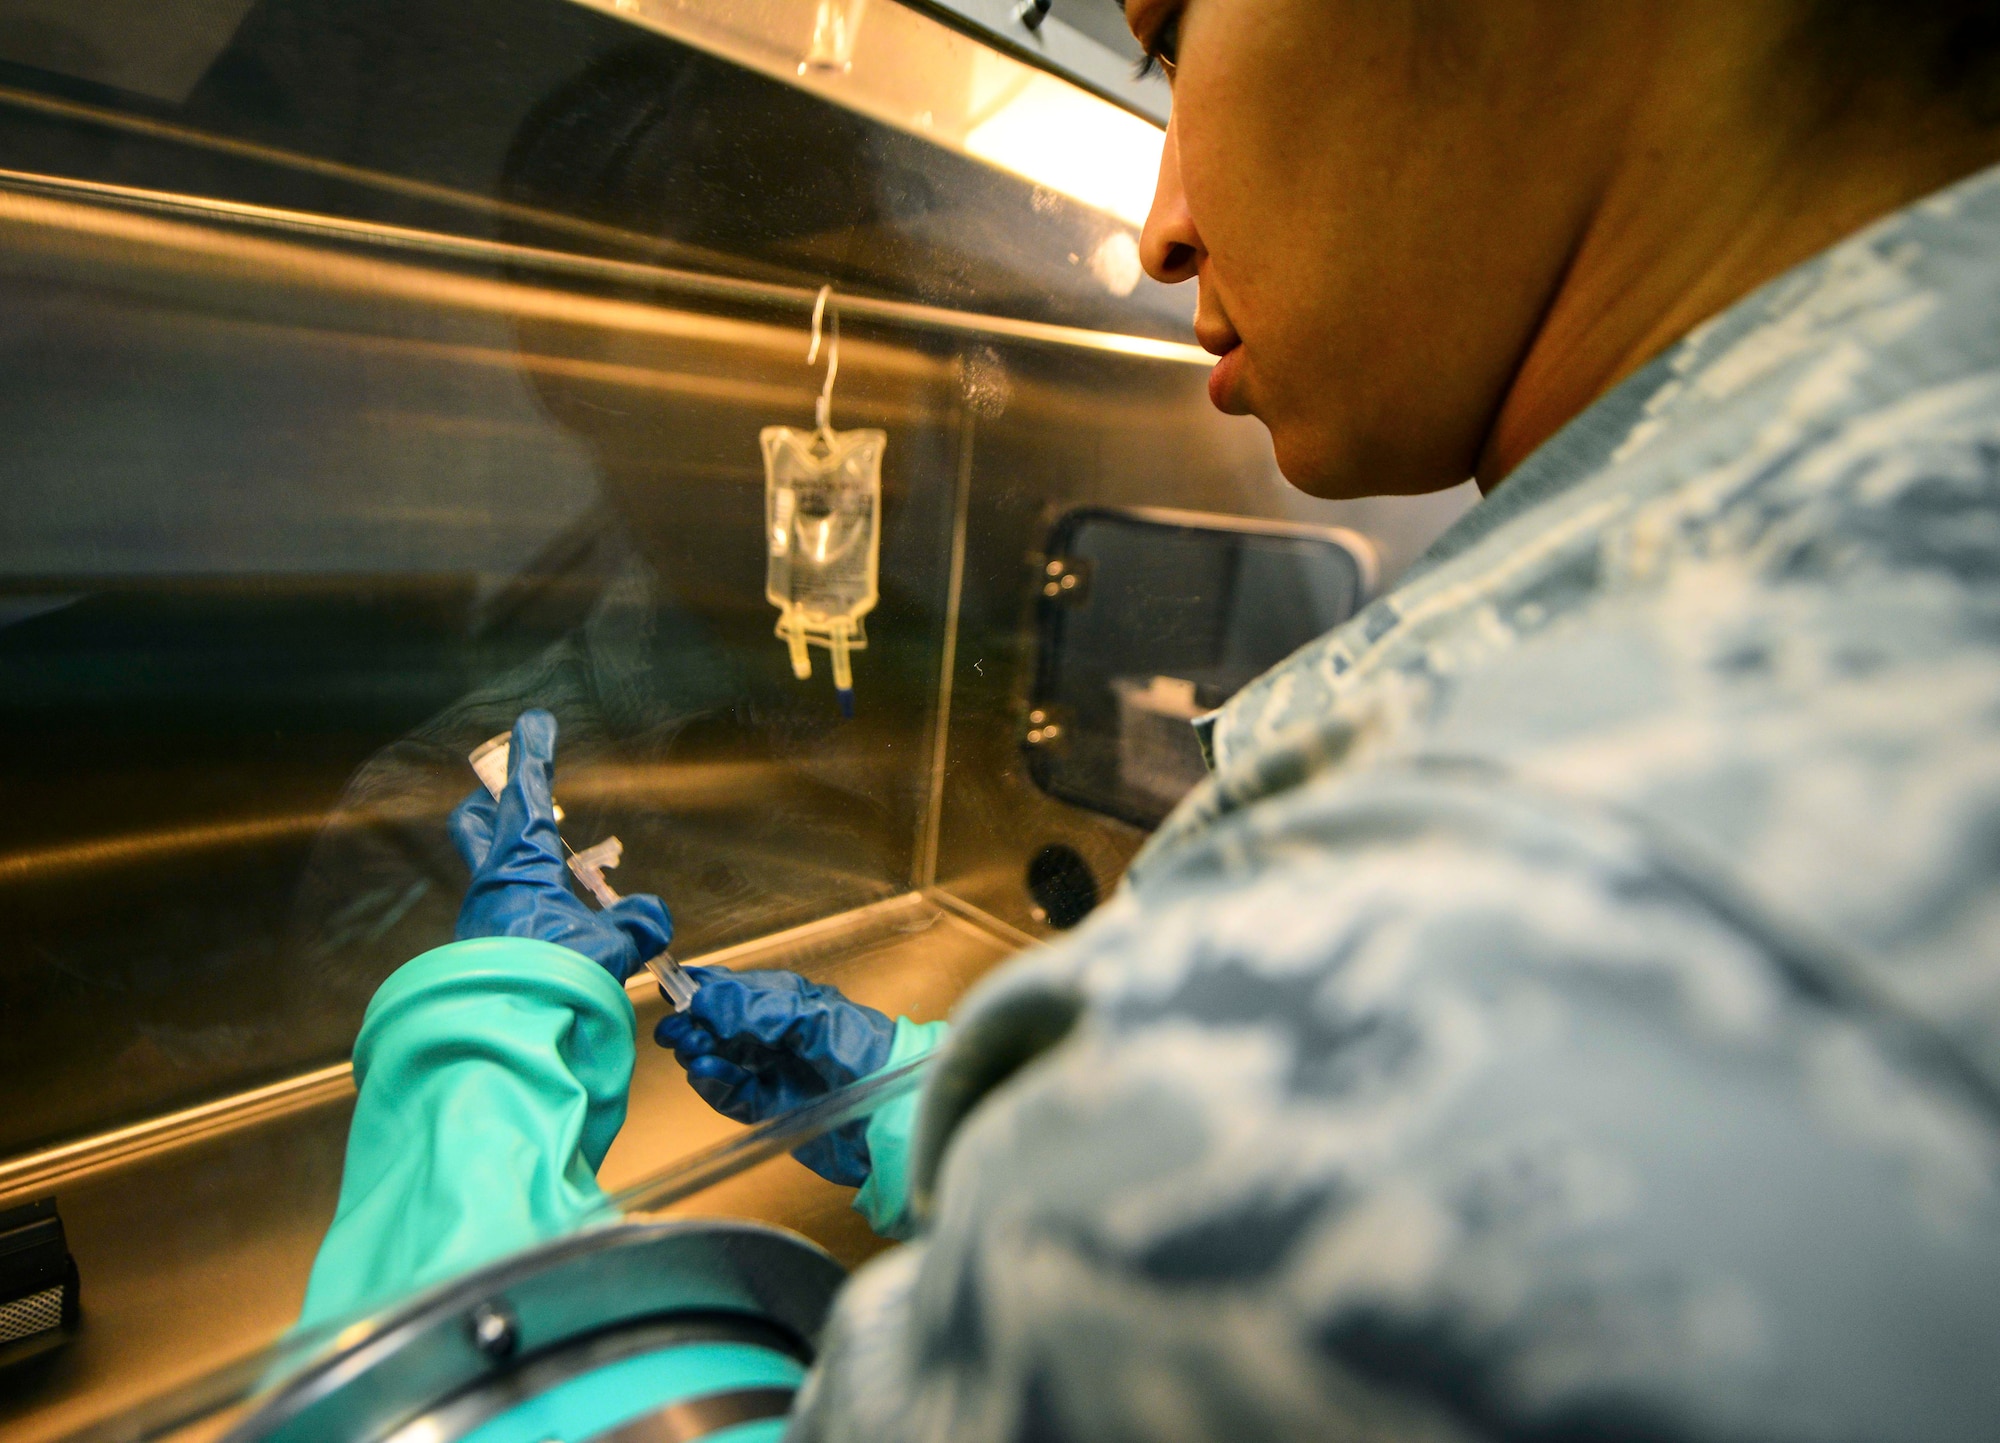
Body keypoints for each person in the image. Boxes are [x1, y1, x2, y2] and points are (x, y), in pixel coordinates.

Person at [307, 3, 2000, 1439]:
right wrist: (930, 1096)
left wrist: (466, 1101)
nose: (1160, 224)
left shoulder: (1484, 932)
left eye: (1176, 28)